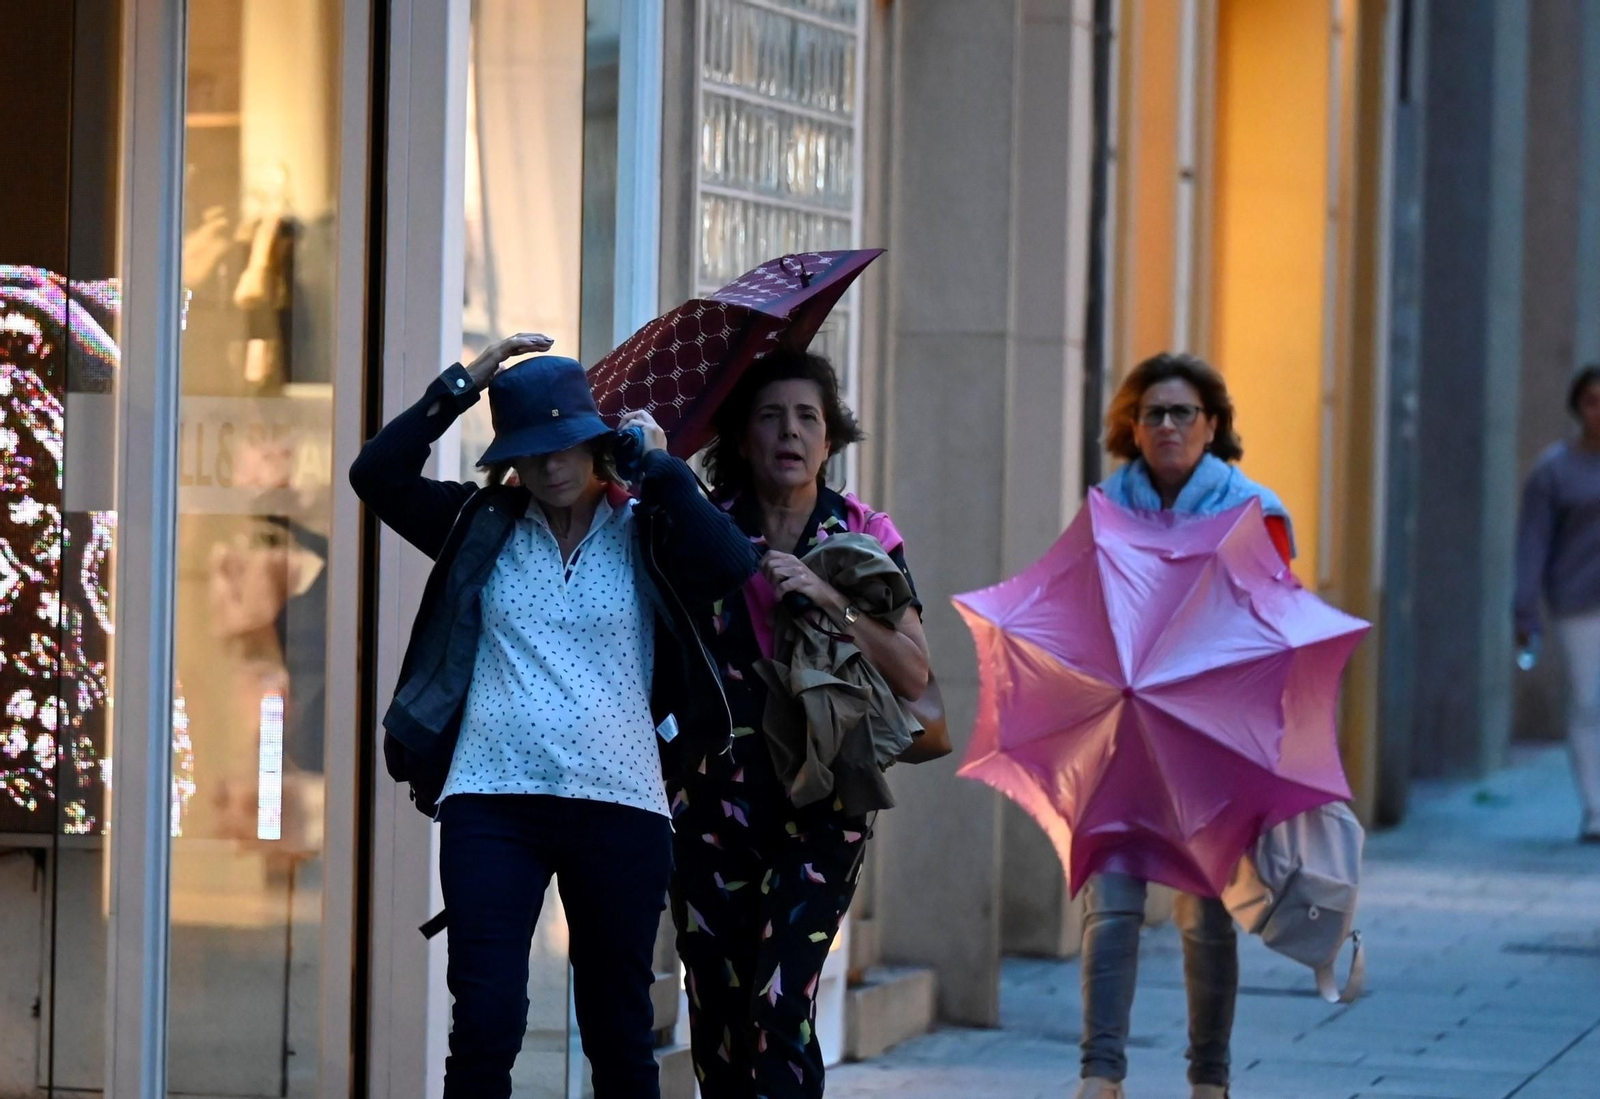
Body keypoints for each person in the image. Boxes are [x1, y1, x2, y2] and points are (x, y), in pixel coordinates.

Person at [348, 334, 758, 1099]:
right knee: (485, 1022)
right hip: (491, 800)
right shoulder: (481, 523)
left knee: (618, 1029)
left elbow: (732, 565)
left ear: (595, 441)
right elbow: (375, 474)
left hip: (621, 802)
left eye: (563, 446)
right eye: (530, 452)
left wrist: (664, 469)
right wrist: (467, 380)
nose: (551, 467)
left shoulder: (644, 526)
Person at [669, 347, 930, 1098]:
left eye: (808, 417)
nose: (790, 431)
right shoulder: (702, 527)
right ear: (741, 436)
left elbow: (914, 671)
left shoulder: (861, 531)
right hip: (710, 801)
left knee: (779, 1006)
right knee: (719, 1013)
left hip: (823, 802)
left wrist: (827, 597)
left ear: (830, 437)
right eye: (771, 416)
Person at [1081, 351, 1296, 1099]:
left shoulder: (1253, 512)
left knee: (1204, 916)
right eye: (1154, 413)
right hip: (1123, 734)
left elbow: (1277, 628)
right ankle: (1100, 1075)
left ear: (1212, 426)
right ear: (1133, 427)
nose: (1168, 425)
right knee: (1111, 907)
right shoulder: (1104, 510)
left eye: (1183, 412)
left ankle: (1209, 1077)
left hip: (1210, 741)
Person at [1515, 363, 1600, 844]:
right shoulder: (1554, 470)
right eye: (1591, 401)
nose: (1599, 411)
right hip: (1578, 602)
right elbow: (1533, 541)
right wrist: (1524, 608)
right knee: (1588, 702)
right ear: (1577, 407)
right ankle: (1595, 809)